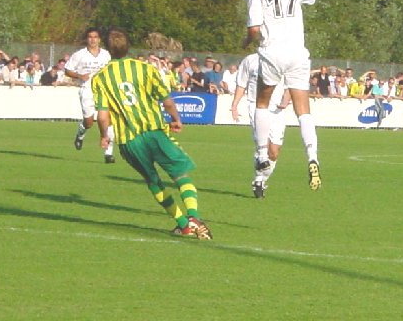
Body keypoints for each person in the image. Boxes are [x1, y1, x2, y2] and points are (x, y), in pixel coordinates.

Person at [92, 27, 211, 239]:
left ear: (107, 50)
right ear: (128, 46)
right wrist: (176, 119)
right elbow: (167, 100)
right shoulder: (145, 69)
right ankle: (193, 216)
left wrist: (103, 135)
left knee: (152, 180)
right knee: (180, 174)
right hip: (154, 131)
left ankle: (183, 224)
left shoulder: (100, 78)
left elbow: (102, 116)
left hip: (129, 140)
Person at [242, 0, 321, 190]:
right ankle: (312, 157)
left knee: (262, 103)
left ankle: (262, 154)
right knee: (303, 111)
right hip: (298, 53)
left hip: (273, 52)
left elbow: (254, 29)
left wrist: (245, 41)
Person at [230, 53, 288, 198]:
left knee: (274, 152)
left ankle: (262, 179)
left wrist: (285, 101)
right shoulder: (250, 60)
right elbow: (241, 84)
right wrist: (235, 105)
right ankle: (258, 180)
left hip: (276, 109)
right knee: (263, 145)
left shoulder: (282, 60)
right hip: (255, 106)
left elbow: (290, 85)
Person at [65, 27, 115, 163]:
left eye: (95, 37)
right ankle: (80, 134)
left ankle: (109, 154)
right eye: (90, 37)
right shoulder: (79, 54)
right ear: (87, 39)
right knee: (89, 121)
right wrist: (79, 75)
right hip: (86, 89)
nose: (92, 40)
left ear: (99, 39)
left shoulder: (106, 54)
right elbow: (67, 70)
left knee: (107, 120)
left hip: (104, 90)